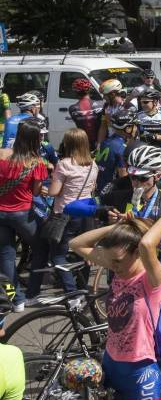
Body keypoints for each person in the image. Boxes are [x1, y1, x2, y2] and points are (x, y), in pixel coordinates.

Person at [69, 198, 161, 400]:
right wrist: (120, 227)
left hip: (141, 370)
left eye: (118, 261)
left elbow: (147, 244)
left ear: (137, 253)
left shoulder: (152, 280)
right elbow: (76, 244)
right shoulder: (120, 268)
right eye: (110, 260)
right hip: (111, 363)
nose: (112, 266)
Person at [27, 128, 97, 301]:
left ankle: (72, 293)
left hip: (66, 213)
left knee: (58, 255)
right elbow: (92, 188)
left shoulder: (64, 164)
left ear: (68, 143)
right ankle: (82, 289)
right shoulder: (92, 165)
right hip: (87, 212)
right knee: (84, 252)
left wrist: (44, 189)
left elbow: (54, 191)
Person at [0, 122, 48, 311]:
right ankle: (32, 294)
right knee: (41, 248)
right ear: (35, 139)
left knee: (6, 256)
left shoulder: (1, 154)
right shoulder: (36, 163)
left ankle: (15, 299)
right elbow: (36, 192)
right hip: (22, 214)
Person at [68, 78, 103, 149]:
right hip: (100, 142)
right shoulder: (100, 106)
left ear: (75, 92)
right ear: (89, 90)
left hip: (83, 144)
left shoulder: (72, 108)